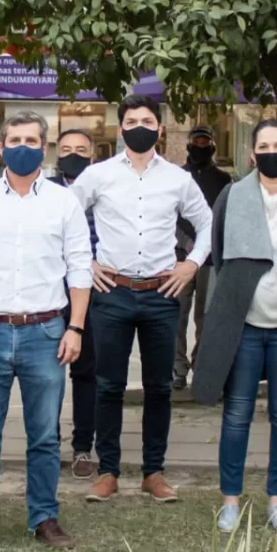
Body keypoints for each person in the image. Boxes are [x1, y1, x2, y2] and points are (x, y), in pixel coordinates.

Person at [0, 111, 91, 552]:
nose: (22, 145)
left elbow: (79, 267)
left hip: (45, 333)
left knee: (45, 435)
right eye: (14, 138)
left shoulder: (64, 202)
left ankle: (44, 518)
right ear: (0, 145)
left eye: (31, 139)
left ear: (44, 147)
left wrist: (76, 327)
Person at [73, 95, 214, 504]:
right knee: (108, 387)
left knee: (159, 388)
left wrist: (191, 264)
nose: (140, 125)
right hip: (111, 293)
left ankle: (154, 472)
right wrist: (85, 263)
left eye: (148, 120)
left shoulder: (177, 179)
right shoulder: (97, 176)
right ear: (120, 129)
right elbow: (65, 220)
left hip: (161, 294)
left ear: (161, 129)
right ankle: (108, 471)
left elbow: (206, 223)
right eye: (132, 119)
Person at [192, 120, 277, 532]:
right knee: (236, 414)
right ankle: (230, 500)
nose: (271, 152)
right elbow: (218, 255)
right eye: (263, 145)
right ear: (253, 154)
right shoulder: (232, 196)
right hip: (245, 324)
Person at [51, 128, 100, 479]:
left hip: (91, 292)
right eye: (67, 149)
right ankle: (47, 444)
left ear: (93, 154)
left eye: (81, 149)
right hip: (50, 292)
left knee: (86, 372)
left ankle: (83, 447)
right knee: (48, 373)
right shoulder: (44, 189)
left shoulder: (103, 187)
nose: (74, 155)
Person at [174, 125, 231, 390]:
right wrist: (187, 243)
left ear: (212, 146)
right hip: (178, 260)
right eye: (195, 141)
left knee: (206, 319)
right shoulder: (176, 177)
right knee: (176, 316)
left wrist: (208, 246)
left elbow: (225, 218)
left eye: (205, 141)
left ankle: (201, 367)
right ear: (187, 145)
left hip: (211, 260)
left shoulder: (223, 180)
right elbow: (167, 216)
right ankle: (177, 371)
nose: (200, 145)